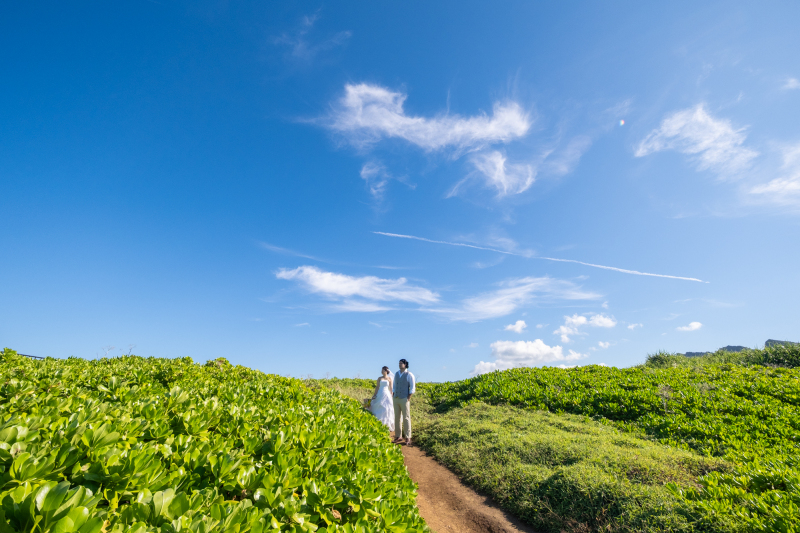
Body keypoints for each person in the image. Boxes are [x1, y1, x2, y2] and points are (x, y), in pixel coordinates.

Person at [393, 358, 415, 445]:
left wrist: (409, 397)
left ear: (405, 365)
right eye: (399, 363)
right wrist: (393, 394)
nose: (399, 364)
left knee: (406, 417)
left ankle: (408, 437)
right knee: (397, 417)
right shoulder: (396, 374)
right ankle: (398, 436)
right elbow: (394, 385)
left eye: (401, 363)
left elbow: (412, 387)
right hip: (396, 398)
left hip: (404, 398)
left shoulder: (409, 374)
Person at [369, 366, 395, 432]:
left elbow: (391, 388)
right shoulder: (379, 378)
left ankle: (386, 424)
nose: (382, 371)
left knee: (387, 408)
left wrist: (391, 395)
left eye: (383, 370)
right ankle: (378, 423)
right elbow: (377, 387)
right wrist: (374, 395)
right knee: (379, 406)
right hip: (380, 393)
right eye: (382, 370)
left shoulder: (389, 379)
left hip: (387, 394)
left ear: (386, 371)